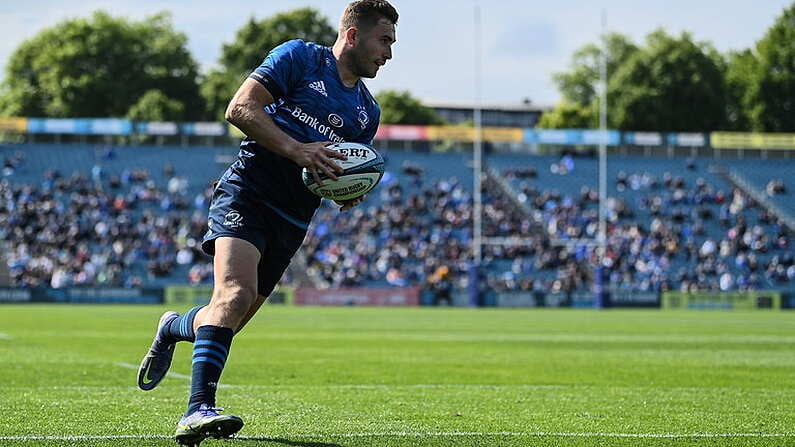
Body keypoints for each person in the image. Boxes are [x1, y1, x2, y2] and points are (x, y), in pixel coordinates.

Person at [135, 1, 398, 445]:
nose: (389, 53)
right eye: (384, 40)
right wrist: (299, 150)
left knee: (230, 318)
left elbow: (334, 171)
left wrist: (347, 190)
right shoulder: (299, 58)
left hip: (293, 218)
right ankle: (197, 409)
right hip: (248, 193)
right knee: (232, 294)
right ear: (352, 36)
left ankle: (175, 326)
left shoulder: (366, 113)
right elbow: (240, 109)